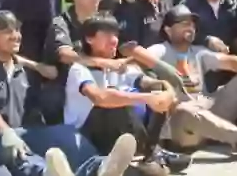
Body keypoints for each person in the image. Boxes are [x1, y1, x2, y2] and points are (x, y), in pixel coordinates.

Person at [0, 11, 136, 176]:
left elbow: (52, 72)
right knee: (21, 154)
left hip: (27, 132)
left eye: (17, 30)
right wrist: (6, 132)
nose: (16, 35)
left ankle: (100, 168)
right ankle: (48, 173)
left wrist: (30, 64)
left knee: (68, 135)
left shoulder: (24, 68)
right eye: (7, 31)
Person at [146, 5, 237, 162]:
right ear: (168, 30)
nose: (190, 27)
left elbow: (232, 62)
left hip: (208, 111)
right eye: (183, 23)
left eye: (192, 24)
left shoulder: (198, 52)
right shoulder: (159, 50)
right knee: (184, 110)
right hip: (182, 127)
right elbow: (137, 63)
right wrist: (152, 82)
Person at [66, 15, 191, 176]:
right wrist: (147, 99)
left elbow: (147, 82)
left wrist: (166, 91)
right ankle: (146, 156)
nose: (114, 40)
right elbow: (100, 98)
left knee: (156, 92)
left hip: (115, 131)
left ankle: (150, 154)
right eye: (107, 35)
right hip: (85, 132)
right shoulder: (79, 69)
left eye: (115, 35)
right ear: (89, 39)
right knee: (119, 101)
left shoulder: (119, 65)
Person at [39, 0, 130, 124]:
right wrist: (103, 63)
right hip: (63, 85)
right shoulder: (61, 23)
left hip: (95, 81)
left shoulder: (100, 21)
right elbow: (65, 55)